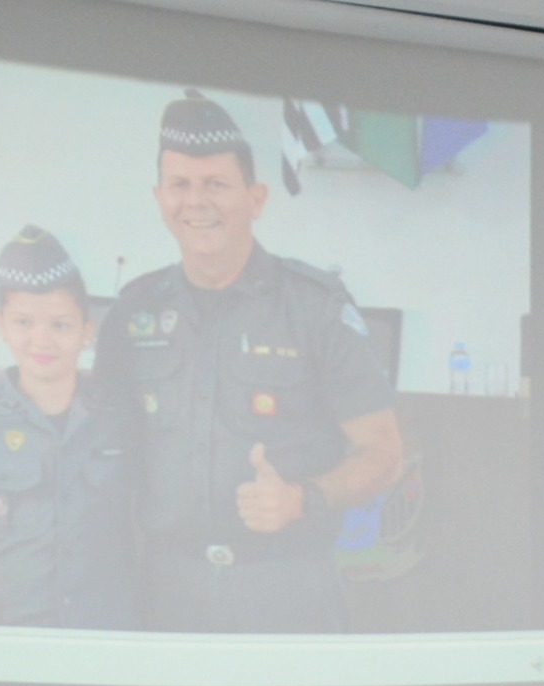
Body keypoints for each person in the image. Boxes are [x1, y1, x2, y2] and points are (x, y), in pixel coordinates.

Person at [107, 91, 403, 632]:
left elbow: (383, 453)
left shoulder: (315, 306)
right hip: (169, 593)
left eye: (216, 184)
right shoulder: (133, 312)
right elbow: (91, 441)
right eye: (180, 184)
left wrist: (304, 499)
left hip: (290, 590)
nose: (196, 201)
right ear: (159, 197)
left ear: (256, 198)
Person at [0, 229, 132, 629]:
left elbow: (140, 527)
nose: (42, 339)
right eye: (23, 322)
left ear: (86, 329)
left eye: (60, 325)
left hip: (106, 636)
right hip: (13, 636)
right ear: (1, 324)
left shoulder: (120, 416)